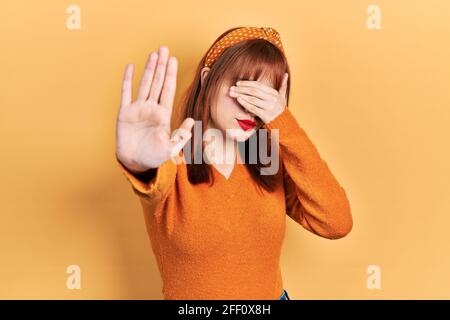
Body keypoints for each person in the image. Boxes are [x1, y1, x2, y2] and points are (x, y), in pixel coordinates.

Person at [115, 26, 353, 300]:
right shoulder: (172, 158)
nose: (250, 108)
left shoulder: (269, 164)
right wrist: (141, 164)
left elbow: (337, 222)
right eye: (242, 89)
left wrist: (283, 121)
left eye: (263, 98)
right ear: (208, 79)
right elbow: (152, 181)